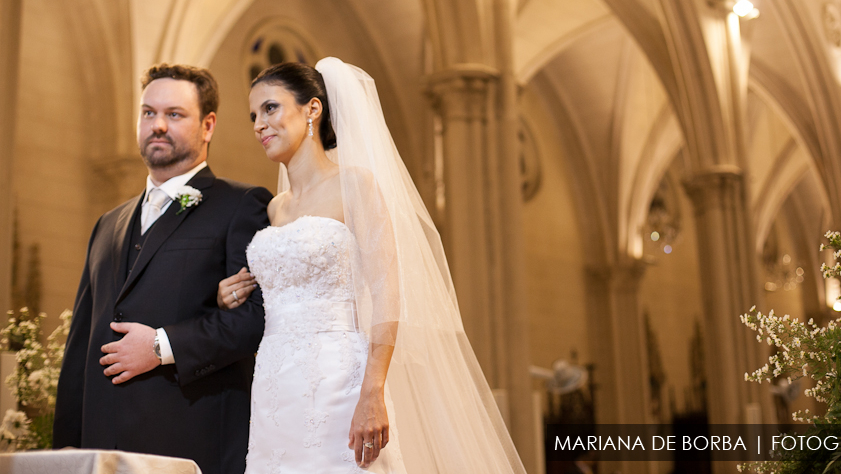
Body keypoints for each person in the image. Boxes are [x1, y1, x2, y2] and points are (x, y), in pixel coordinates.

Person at [218, 57, 526, 473]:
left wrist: (372, 390)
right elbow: (281, 287)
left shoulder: (356, 185)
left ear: (312, 109)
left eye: (270, 108)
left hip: (337, 378)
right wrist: (233, 291)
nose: (259, 124)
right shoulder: (276, 208)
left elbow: (387, 293)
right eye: (254, 115)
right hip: (274, 384)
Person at [54, 64, 272, 474]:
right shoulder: (108, 223)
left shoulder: (240, 206)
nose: (157, 125)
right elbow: (80, 343)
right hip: (102, 450)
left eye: (174, 114)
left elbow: (254, 319)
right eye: (148, 113)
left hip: (190, 441)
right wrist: (66, 448)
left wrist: (161, 346)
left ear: (208, 125)